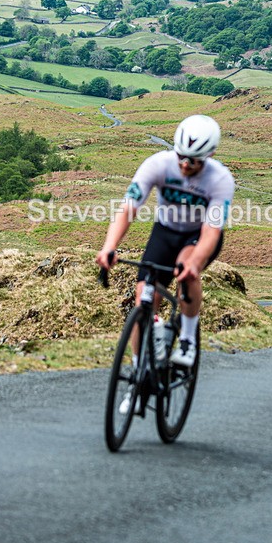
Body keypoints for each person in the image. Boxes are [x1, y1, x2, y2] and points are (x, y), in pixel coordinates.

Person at [96, 114, 235, 371]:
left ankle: (187, 339)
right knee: (144, 301)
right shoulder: (158, 164)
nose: (184, 165)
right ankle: (140, 371)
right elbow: (128, 207)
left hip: (197, 235)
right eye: (181, 156)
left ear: (210, 155)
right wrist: (109, 246)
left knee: (186, 271)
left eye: (193, 161)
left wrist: (194, 264)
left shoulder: (220, 180)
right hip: (165, 231)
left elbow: (212, 231)